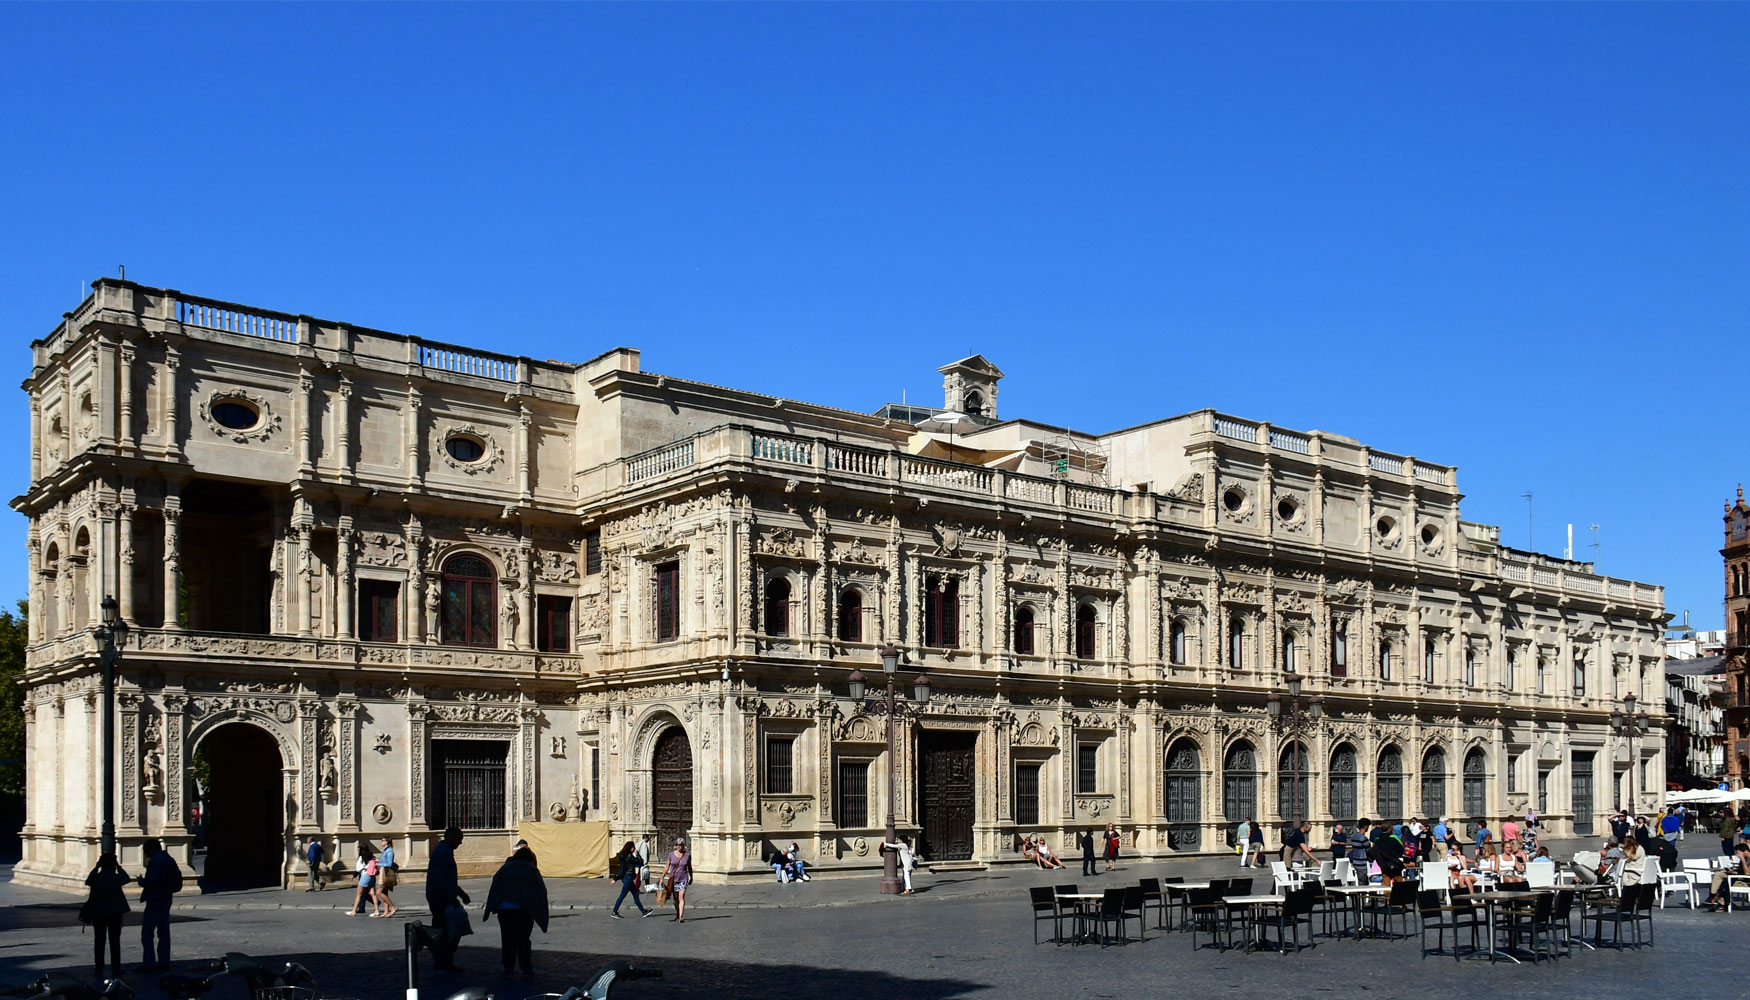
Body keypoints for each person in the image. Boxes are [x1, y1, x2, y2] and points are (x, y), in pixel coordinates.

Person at [483, 846, 548, 978]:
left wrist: (490, 908)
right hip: (524, 910)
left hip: (505, 910)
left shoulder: (505, 869)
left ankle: (508, 970)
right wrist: (541, 914)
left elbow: (495, 888)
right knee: (523, 940)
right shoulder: (531, 870)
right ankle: (526, 969)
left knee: (507, 940)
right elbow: (540, 892)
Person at [427, 827, 471, 974]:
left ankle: (445, 961)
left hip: (440, 896)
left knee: (447, 929)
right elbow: (441, 878)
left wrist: (460, 893)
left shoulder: (444, 851)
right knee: (446, 931)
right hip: (440, 898)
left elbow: (446, 878)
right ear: (451, 838)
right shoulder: (443, 852)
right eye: (459, 838)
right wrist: (452, 897)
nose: (461, 842)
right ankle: (442, 962)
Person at [136, 838, 182, 973]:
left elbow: (152, 880)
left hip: (155, 898)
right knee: (163, 931)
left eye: (146, 851)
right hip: (166, 898)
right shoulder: (169, 859)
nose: (145, 855)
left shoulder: (155, 861)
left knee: (147, 932)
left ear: (150, 849)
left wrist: (142, 882)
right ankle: (164, 961)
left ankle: (149, 963)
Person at [83, 853, 131, 981]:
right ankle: (116, 967)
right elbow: (127, 878)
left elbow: (88, 881)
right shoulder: (116, 878)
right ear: (113, 865)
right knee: (114, 941)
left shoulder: (97, 878)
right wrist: (118, 867)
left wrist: (96, 867)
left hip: (98, 913)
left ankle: (99, 968)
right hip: (114, 913)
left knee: (99, 941)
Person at [1705, 842, 1750, 910]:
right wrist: (1732, 871)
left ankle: (1722, 902)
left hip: (1746, 881)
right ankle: (1712, 896)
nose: (1737, 855)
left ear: (1746, 852)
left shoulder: (1746, 860)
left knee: (1725, 882)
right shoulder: (1744, 859)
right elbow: (1740, 871)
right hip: (1739, 877)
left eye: (1739, 853)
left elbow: (1747, 873)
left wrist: (1743, 860)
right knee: (1718, 874)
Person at [611, 843, 651, 918]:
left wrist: (615, 878)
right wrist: (637, 854)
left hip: (626, 878)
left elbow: (620, 868)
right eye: (633, 847)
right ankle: (614, 912)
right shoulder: (629, 856)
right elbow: (640, 862)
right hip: (628, 878)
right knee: (622, 896)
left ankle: (643, 911)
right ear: (630, 848)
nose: (634, 849)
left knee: (635, 894)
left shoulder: (623, 856)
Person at [662, 839, 693, 921]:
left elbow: (689, 867)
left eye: (680, 844)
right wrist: (662, 877)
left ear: (683, 845)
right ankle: (678, 912)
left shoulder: (687, 855)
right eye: (677, 844)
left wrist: (691, 877)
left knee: (681, 896)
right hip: (674, 879)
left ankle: (681, 917)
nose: (678, 846)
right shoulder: (671, 854)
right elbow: (667, 866)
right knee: (675, 900)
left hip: (683, 878)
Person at [350, 841, 378, 917]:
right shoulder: (373, 856)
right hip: (372, 876)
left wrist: (355, 873)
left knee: (359, 894)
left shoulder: (362, 857)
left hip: (364, 876)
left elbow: (358, 868)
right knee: (373, 894)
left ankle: (354, 911)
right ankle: (376, 910)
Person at [373, 837, 399, 917]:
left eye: (383, 840)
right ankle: (386, 912)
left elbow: (389, 864)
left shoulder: (389, 851)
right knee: (384, 892)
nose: (381, 842)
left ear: (387, 842)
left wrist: (379, 864)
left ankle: (393, 907)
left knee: (379, 892)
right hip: (383, 873)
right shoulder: (385, 851)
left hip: (386, 874)